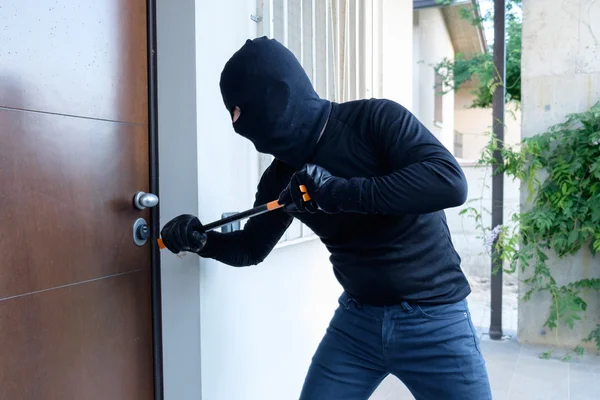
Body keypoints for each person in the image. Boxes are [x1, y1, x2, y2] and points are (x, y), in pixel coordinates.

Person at [160, 37, 492, 400]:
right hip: (358, 322)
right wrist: (202, 241)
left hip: (436, 319)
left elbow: (449, 182)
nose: (235, 122)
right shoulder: (280, 176)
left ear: (276, 93)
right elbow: (252, 247)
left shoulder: (376, 119)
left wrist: (337, 193)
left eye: (237, 108)